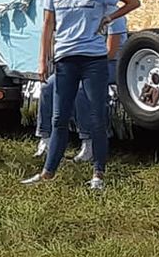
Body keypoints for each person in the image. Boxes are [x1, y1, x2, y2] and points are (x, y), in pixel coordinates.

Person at [23, 0, 138, 192]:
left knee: (97, 117)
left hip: (94, 59)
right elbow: (47, 26)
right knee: (59, 118)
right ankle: (48, 172)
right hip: (65, 59)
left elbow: (133, 1)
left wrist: (109, 17)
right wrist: (43, 60)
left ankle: (98, 173)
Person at [34, 12, 127, 162]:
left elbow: (111, 51)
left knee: (81, 89)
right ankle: (46, 139)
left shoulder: (114, 15)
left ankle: (89, 143)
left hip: (111, 64)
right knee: (48, 87)